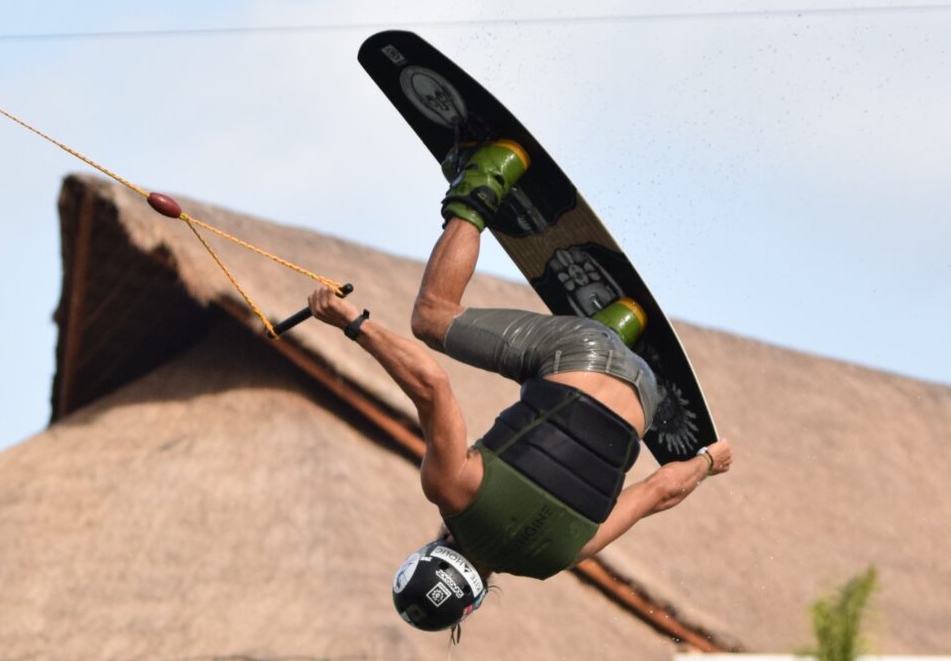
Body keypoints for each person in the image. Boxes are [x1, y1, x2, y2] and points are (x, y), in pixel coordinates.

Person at [306, 137, 732, 633]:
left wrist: (707, 462)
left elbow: (658, 491)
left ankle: (624, 326)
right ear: (427, 552)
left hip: (647, 393)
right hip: (577, 351)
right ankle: (487, 177)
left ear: (477, 597)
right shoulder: (452, 490)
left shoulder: (558, 558)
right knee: (432, 317)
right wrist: (354, 324)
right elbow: (431, 386)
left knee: (552, 398)